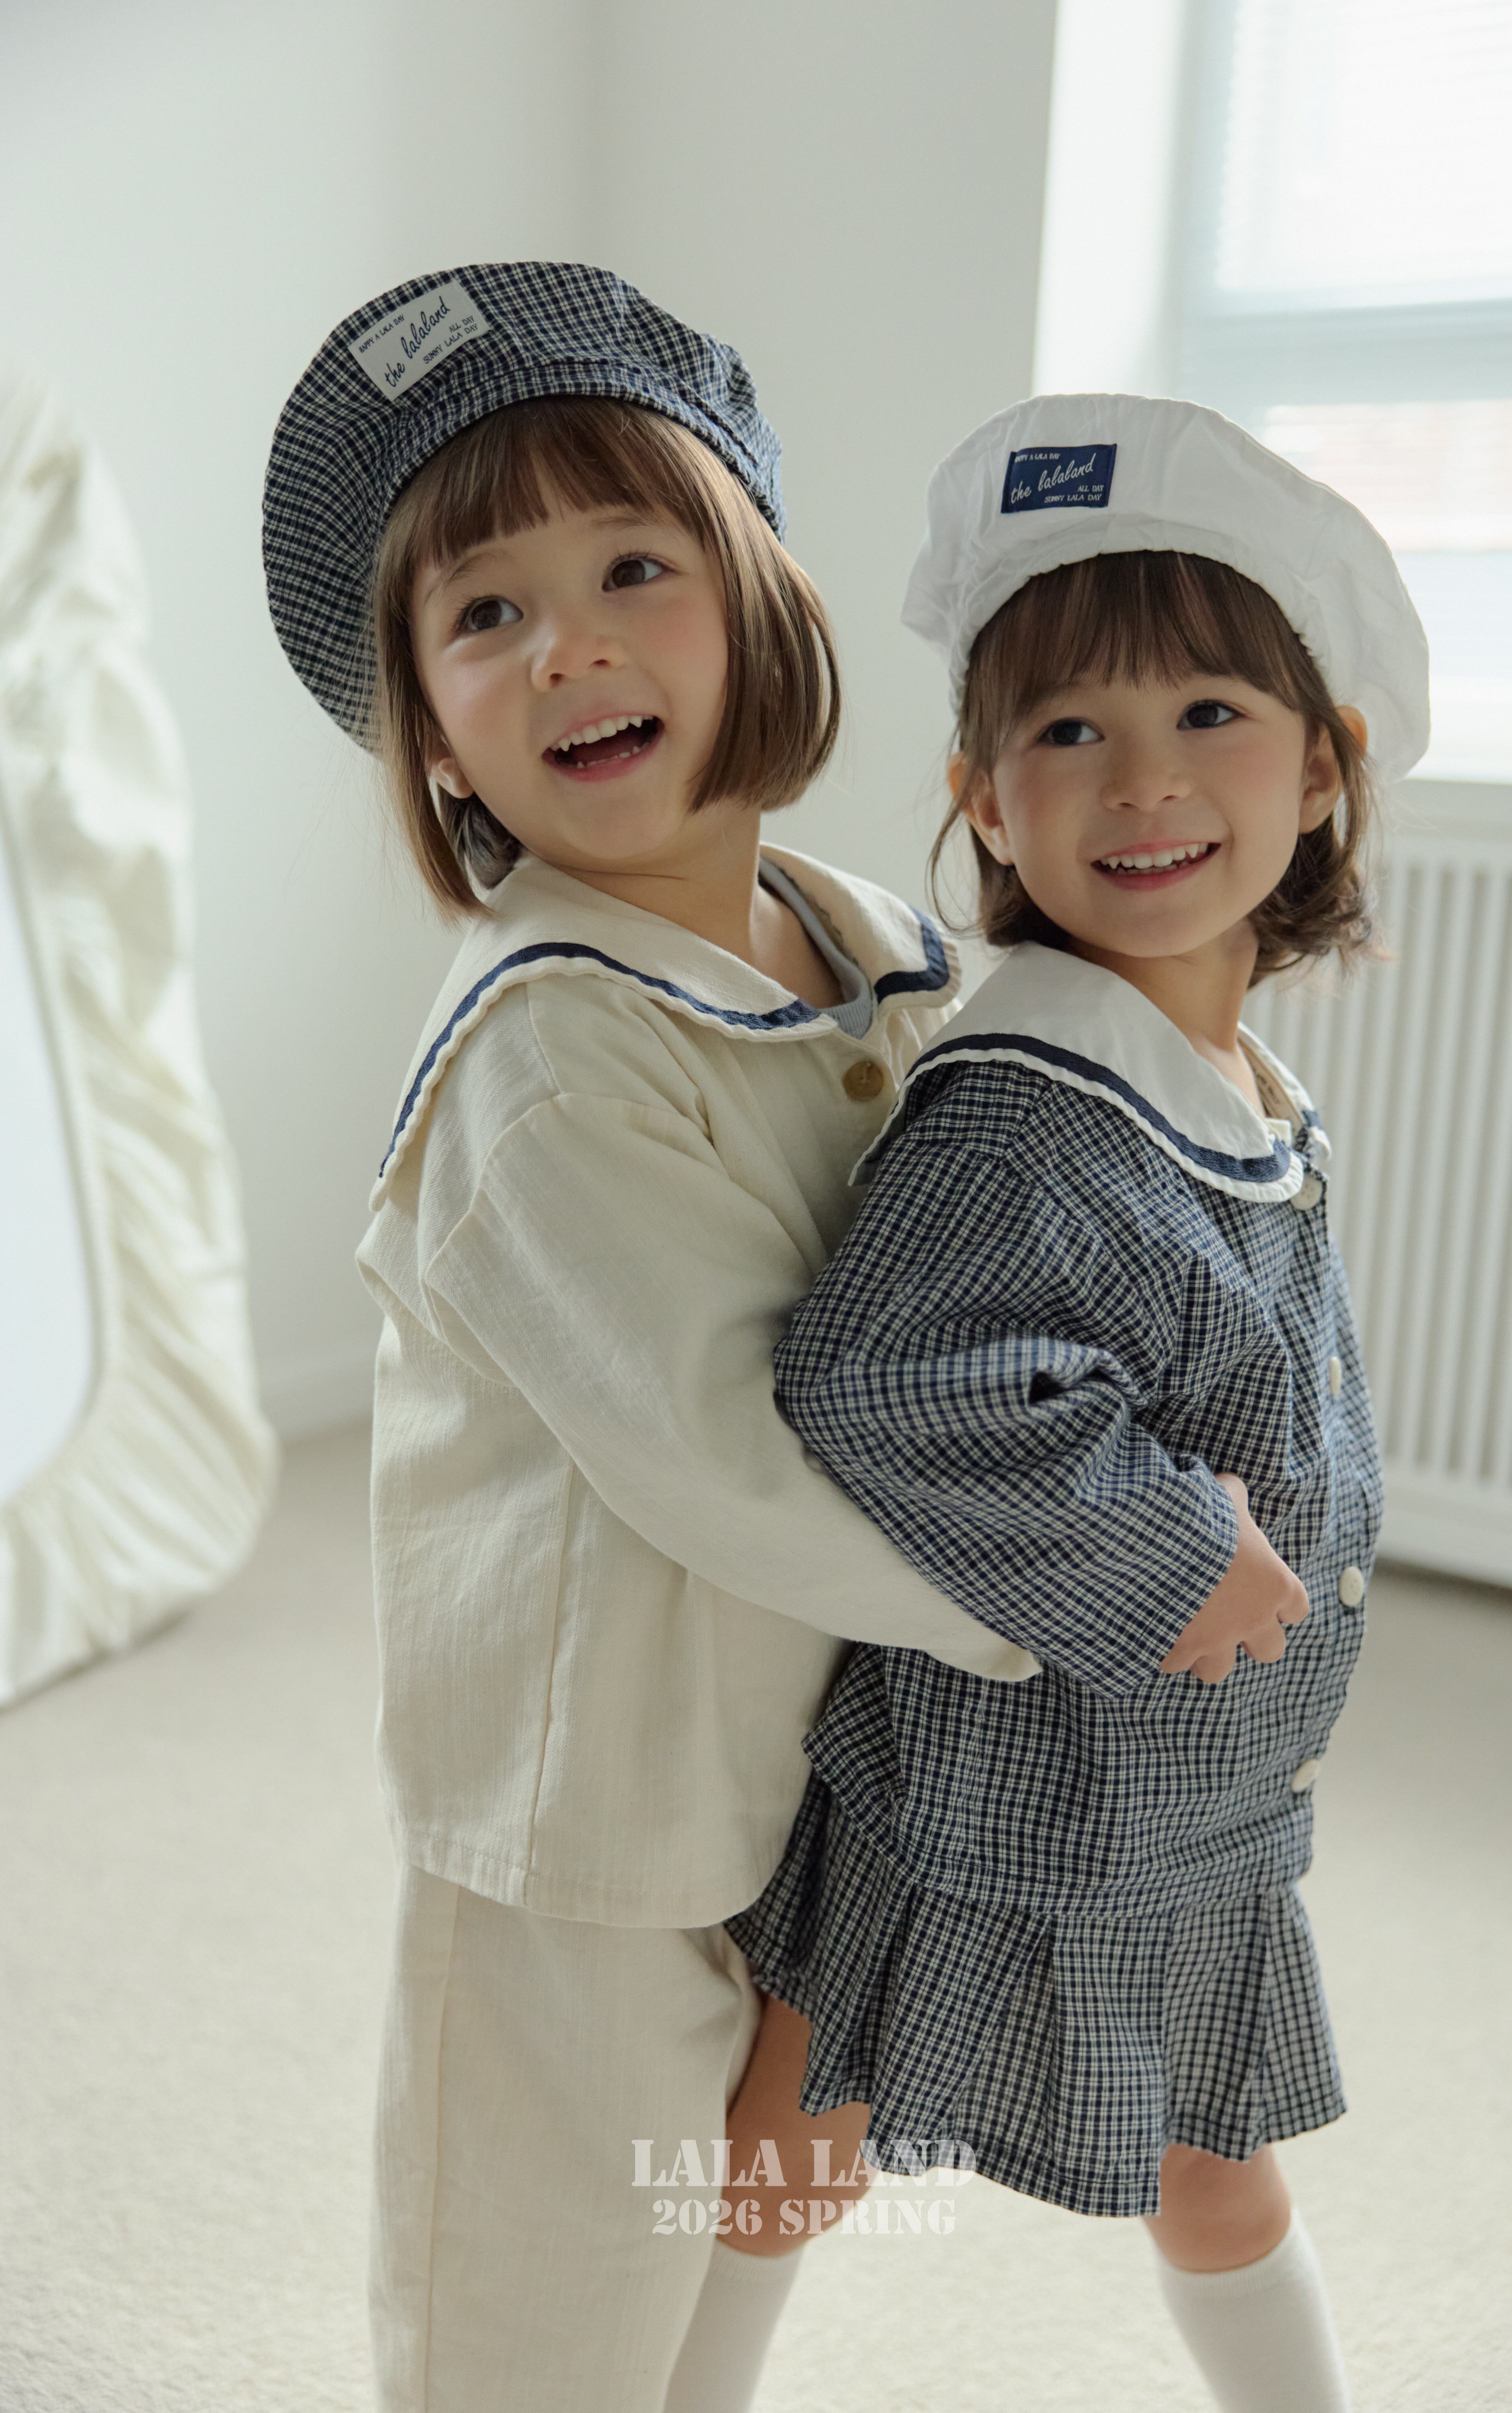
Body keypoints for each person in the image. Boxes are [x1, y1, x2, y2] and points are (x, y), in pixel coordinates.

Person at [260, 262, 1037, 2413]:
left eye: (633, 568)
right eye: (485, 615)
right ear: (429, 729)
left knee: (751, 2219)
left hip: (818, 1763)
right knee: (545, 2308)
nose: (571, 646)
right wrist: (1078, 1599)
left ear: (756, 598)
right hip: (590, 1818)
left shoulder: (877, 947)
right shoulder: (543, 1054)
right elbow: (733, 1459)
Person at [722, 393, 1432, 2412]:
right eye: (1065, 732)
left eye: (1209, 712)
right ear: (983, 796)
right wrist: (1158, 1542)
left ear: (1322, 764)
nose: (1143, 782)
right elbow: (885, 1371)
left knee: (1215, 2170)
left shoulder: (1229, 1091)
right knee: (790, 2143)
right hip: (1000, 1791)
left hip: (1189, 1799)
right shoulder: (1022, 1113)